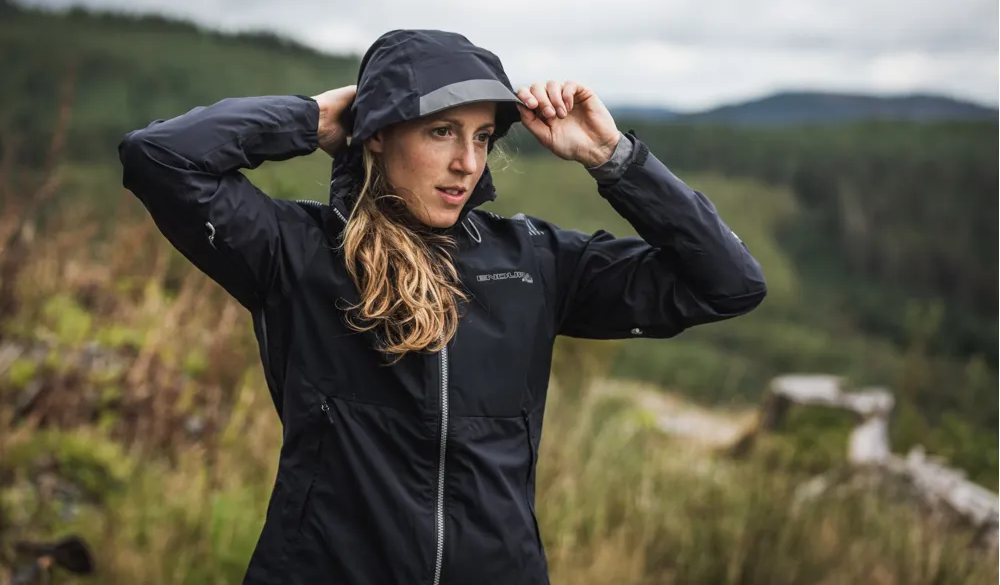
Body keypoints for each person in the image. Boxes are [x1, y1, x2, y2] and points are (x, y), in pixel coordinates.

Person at [118, 29, 767, 585]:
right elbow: (160, 158)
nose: (466, 162)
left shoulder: (534, 262)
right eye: (441, 131)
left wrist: (612, 157)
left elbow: (728, 282)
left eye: (482, 137)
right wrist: (311, 119)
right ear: (377, 135)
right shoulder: (298, 252)